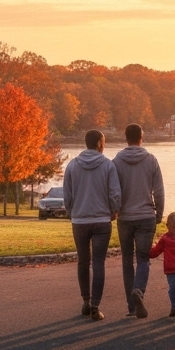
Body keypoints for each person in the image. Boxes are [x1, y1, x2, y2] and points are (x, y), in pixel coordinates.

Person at [63, 129, 121, 321]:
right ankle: (96, 306)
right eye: (103, 141)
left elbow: (68, 194)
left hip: (80, 220)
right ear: (98, 144)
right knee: (98, 263)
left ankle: (86, 301)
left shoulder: (72, 165)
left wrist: (72, 212)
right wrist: (114, 210)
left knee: (83, 261)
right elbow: (115, 193)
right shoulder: (108, 165)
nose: (104, 144)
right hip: (102, 220)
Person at [112, 123, 165, 318]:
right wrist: (159, 213)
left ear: (125, 137)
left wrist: (115, 210)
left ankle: (131, 306)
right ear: (141, 137)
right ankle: (139, 290)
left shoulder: (116, 161)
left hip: (125, 217)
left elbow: (114, 191)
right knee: (143, 259)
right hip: (145, 216)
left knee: (127, 261)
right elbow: (158, 191)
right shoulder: (151, 160)